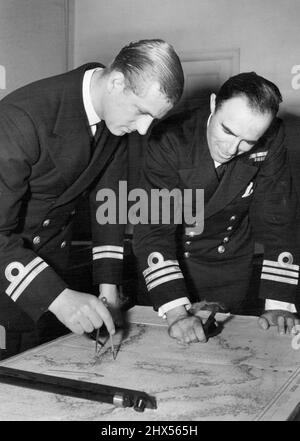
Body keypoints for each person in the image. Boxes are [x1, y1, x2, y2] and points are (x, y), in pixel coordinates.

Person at [0, 39, 184, 357]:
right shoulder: (20, 118)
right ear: (116, 82)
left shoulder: (115, 116)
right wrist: (57, 297)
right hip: (12, 265)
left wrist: (108, 287)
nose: (143, 131)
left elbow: (108, 204)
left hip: (52, 262)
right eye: (141, 112)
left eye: (152, 120)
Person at [133, 72, 300, 344]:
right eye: (227, 131)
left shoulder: (273, 138)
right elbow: (153, 230)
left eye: (249, 141)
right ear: (213, 104)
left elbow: (279, 220)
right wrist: (176, 312)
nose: (233, 148)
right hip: (169, 264)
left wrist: (279, 303)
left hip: (227, 268)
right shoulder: (170, 138)